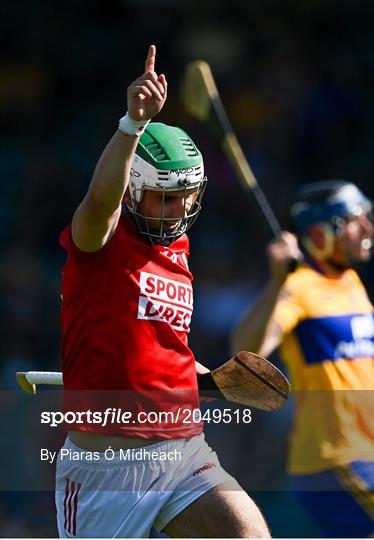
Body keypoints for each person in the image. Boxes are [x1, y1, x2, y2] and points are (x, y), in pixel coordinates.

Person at [55, 44, 270, 538]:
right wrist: (132, 123)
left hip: (181, 450)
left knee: (248, 534)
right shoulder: (101, 239)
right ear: (133, 190)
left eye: (185, 198)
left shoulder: (180, 251)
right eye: (164, 199)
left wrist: (211, 378)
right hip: (105, 473)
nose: (176, 211)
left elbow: (162, 345)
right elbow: (98, 199)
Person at [231, 180, 374, 538]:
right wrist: (275, 284)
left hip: (364, 458)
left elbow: (368, 353)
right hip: (334, 462)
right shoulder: (297, 288)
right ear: (320, 232)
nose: (367, 227)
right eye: (354, 220)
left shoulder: (351, 282)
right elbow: (245, 351)